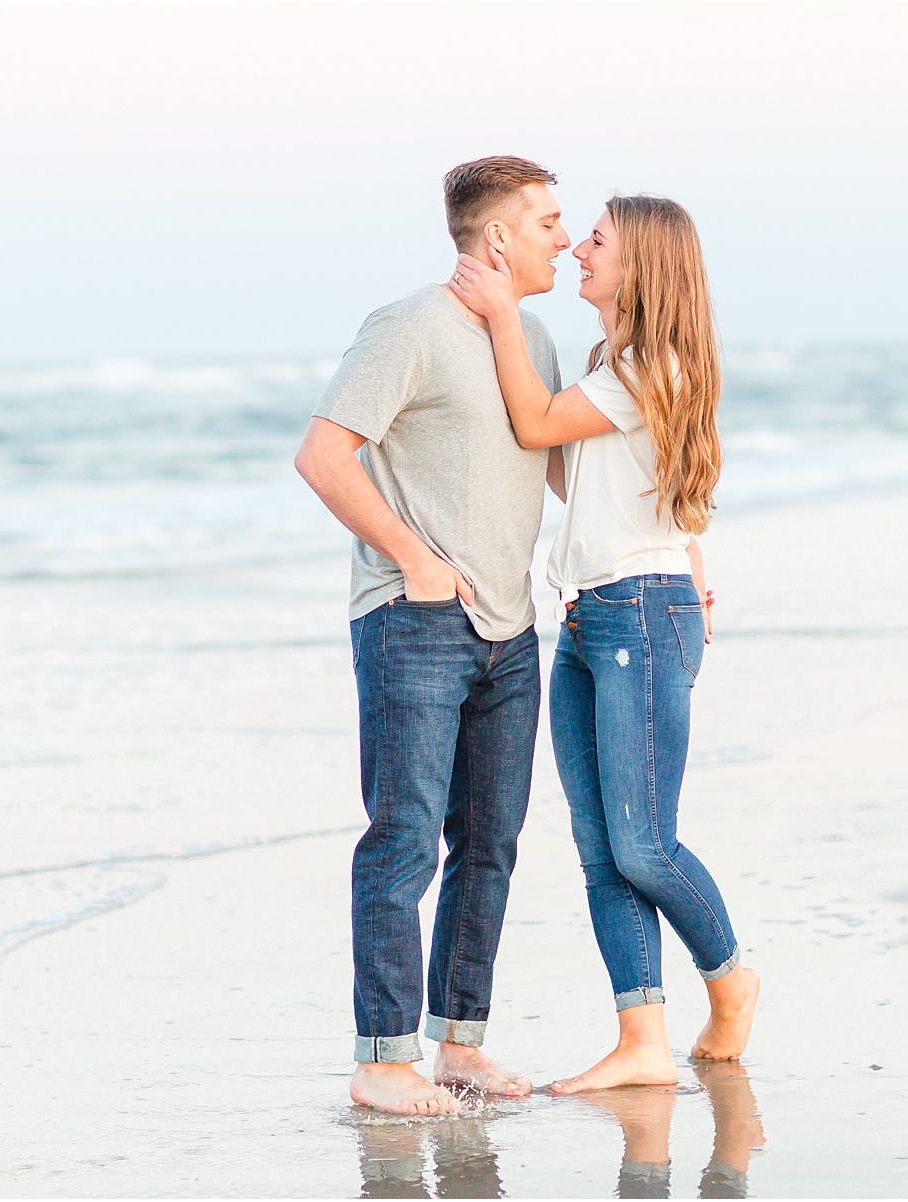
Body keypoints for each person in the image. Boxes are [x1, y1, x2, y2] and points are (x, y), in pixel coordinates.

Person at [449, 193, 761, 1092]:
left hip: (640, 614)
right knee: (600, 848)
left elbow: (541, 425)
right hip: (591, 615)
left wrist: (504, 314)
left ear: (643, 267)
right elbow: (567, 468)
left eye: (598, 240)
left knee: (643, 847)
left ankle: (731, 974)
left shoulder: (653, 364)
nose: (580, 248)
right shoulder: (609, 363)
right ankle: (642, 1040)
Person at [293, 156, 570, 1116]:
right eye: (546, 222)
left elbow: (563, 464)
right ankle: (381, 1058)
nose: (563, 238)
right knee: (404, 836)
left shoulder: (530, 334)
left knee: (490, 843)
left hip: (511, 620)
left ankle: (457, 1045)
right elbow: (323, 457)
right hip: (418, 620)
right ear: (497, 237)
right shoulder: (407, 326)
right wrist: (412, 558)